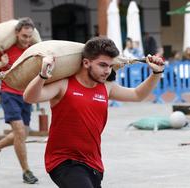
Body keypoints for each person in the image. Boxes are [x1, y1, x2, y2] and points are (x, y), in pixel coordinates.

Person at [23, 36, 164, 188]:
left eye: (110, 66)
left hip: (93, 162)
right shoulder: (64, 85)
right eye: (102, 65)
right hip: (63, 160)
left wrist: (156, 74)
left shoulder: (106, 87)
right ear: (86, 63)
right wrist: (43, 75)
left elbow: (137, 95)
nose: (107, 71)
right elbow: (30, 97)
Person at [0, 17, 38, 184]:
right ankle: (26, 171)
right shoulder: (5, 49)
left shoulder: (33, 50)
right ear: (16, 33)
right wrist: (1, 62)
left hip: (26, 95)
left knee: (23, 133)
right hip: (9, 93)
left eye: (29, 36)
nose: (26, 40)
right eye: (24, 36)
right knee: (20, 132)